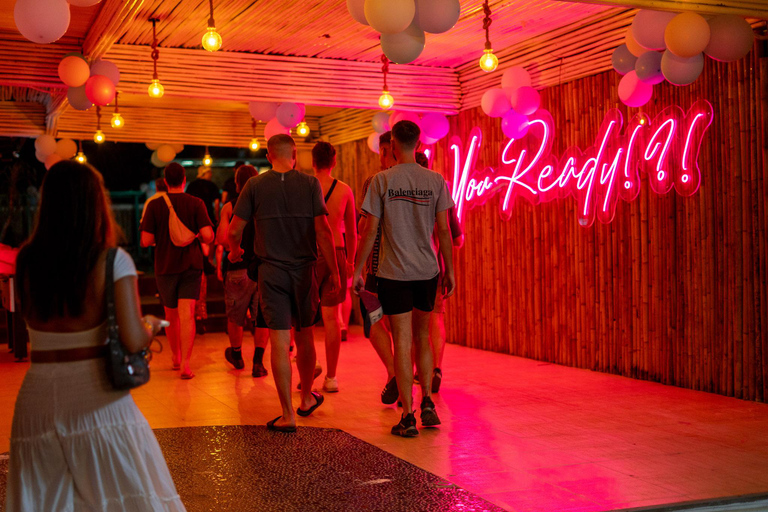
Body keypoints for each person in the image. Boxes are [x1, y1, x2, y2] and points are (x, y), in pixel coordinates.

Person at [7, 160, 185, 511]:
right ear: (95, 203)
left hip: (38, 397)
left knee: (48, 500)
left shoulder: (27, 260)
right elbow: (134, 339)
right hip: (98, 399)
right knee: (123, 495)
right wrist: (150, 325)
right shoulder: (112, 260)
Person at [229, 134, 340, 432]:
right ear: (294, 154)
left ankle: (287, 414)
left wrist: (235, 250)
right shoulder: (310, 184)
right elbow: (324, 231)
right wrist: (336, 271)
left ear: (267, 156)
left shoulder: (254, 186)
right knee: (305, 336)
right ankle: (305, 398)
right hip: (305, 271)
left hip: (271, 272)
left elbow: (234, 229)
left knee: (279, 340)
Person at [354, 120, 456, 437]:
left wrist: (357, 270)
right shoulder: (435, 180)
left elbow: (368, 231)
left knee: (402, 341)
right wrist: (450, 270)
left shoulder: (382, 181)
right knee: (423, 336)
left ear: (394, 146)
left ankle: (408, 416)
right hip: (428, 271)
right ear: (419, 145)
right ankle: (427, 401)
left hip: (394, 272)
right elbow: (444, 230)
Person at [140, 162, 214, 379]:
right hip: (192, 265)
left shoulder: (154, 205)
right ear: (184, 179)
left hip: (165, 266)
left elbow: (145, 240)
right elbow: (209, 236)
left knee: (170, 315)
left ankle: (175, 356)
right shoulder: (196, 203)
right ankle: (186, 365)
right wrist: (195, 235)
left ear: (165, 180)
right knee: (188, 314)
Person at [416, 152, 464, 394]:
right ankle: (436, 367)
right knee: (436, 318)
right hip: (435, 266)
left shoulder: (400, 191)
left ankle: (418, 370)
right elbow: (457, 239)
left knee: (414, 323)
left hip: (407, 267)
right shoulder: (440, 190)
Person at [311, 142, 357, 393]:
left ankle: (310, 366)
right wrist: (350, 262)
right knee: (331, 319)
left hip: (309, 254)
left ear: (312, 161)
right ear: (334, 161)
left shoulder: (304, 187)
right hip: (337, 252)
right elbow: (352, 232)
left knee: (304, 318)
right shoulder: (345, 190)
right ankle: (331, 377)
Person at [216, 164, 269, 377]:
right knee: (262, 317)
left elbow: (221, 239)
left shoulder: (229, 207)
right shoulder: (265, 204)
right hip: (263, 268)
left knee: (235, 317)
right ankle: (258, 362)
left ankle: (237, 356)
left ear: (237, 184)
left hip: (237, 269)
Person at [358, 131, 398, 405]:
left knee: (373, 321)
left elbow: (365, 229)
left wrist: (357, 267)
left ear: (386, 151)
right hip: (416, 269)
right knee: (405, 328)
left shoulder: (375, 181)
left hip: (378, 267)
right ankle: (417, 391)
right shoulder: (424, 180)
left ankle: (394, 373)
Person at [186, 165, 220, 334]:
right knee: (210, 239)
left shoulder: (192, 186)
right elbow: (216, 203)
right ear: (206, 173)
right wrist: (217, 216)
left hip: (193, 219)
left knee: (198, 242)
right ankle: (209, 261)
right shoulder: (212, 186)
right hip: (208, 217)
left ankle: (204, 260)